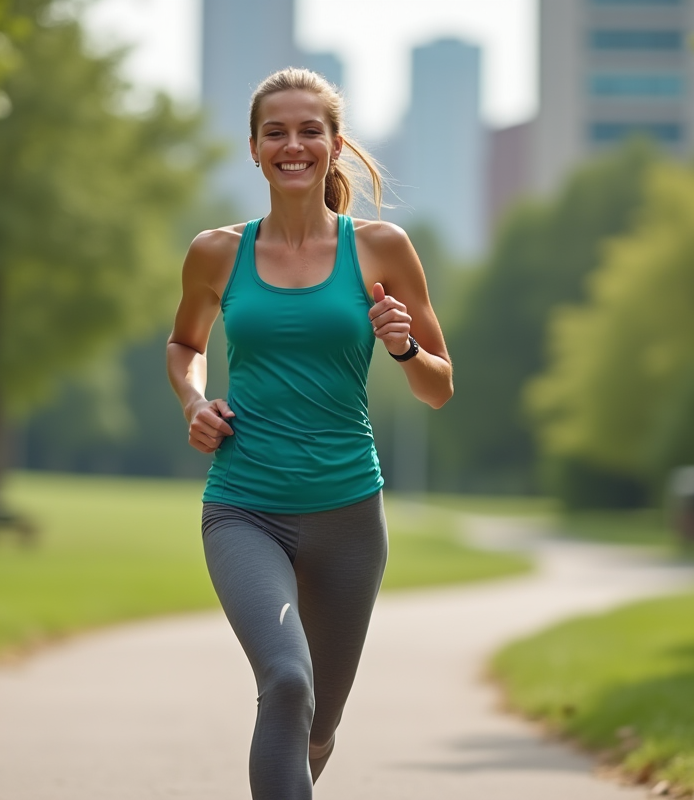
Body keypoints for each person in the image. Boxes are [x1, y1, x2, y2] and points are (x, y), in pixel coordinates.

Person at [166, 67, 453, 800]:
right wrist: (194, 400)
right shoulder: (216, 252)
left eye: (308, 130)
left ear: (334, 145)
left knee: (318, 725)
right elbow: (184, 346)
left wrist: (402, 347)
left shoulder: (382, 249)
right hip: (246, 505)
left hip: (349, 514)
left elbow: (438, 386)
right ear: (255, 149)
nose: (292, 144)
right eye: (276, 132)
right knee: (287, 684)